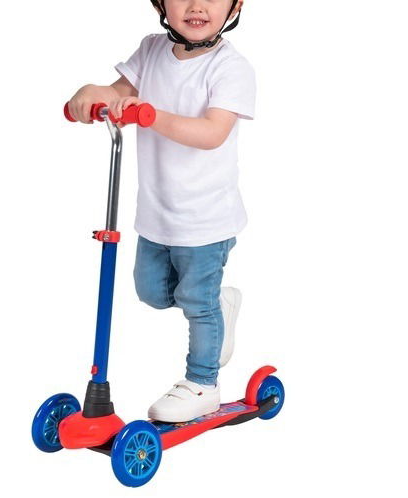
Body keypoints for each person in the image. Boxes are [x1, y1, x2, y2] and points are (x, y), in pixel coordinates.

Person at [67, 0, 255, 423]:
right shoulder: (151, 50)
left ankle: (203, 383)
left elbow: (212, 132)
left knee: (196, 302)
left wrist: (150, 117)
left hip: (206, 221)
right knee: (152, 293)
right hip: (156, 215)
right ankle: (219, 307)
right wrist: (94, 93)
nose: (196, 6)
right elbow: (120, 92)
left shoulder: (230, 68)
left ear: (236, 5)